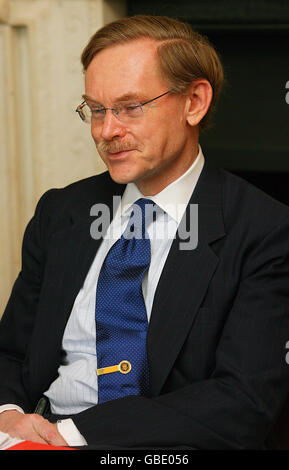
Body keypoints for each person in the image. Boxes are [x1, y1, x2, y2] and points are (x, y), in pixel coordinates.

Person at [0, 14, 289, 450]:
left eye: (130, 107)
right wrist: (8, 421)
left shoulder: (265, 229)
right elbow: (11, 352)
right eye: (96, 110)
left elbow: (242, 400)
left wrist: (66, 437)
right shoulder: (62, 211)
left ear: (194, 101)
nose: (106, 131)